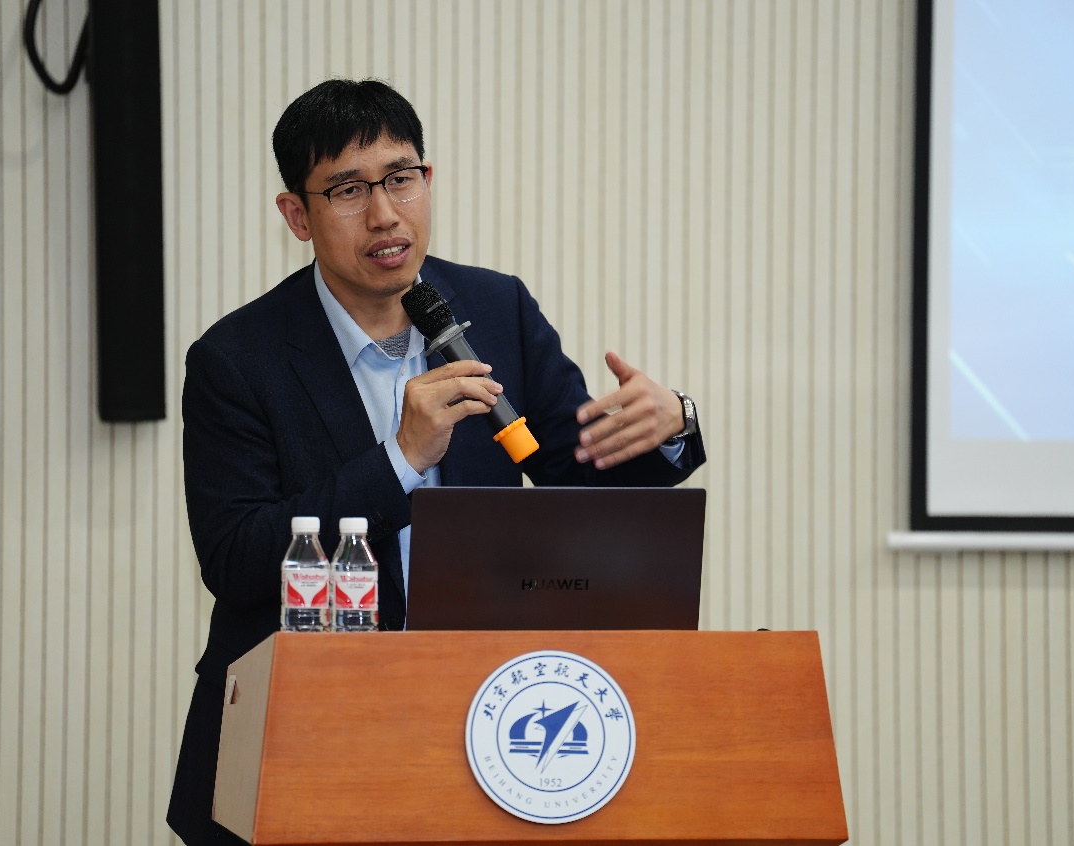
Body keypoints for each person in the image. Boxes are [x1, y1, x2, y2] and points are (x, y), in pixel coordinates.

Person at [167, 78, 706, 844]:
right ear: (296, 215)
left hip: (475, 720)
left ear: (427, 180)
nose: (384, 214)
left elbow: (578, 474)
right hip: (302, 733)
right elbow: (236, 558)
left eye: (400, 179)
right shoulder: (237, 359)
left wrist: (670, 426)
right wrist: (399, 460)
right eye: (347, 190)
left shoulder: (496, 309)